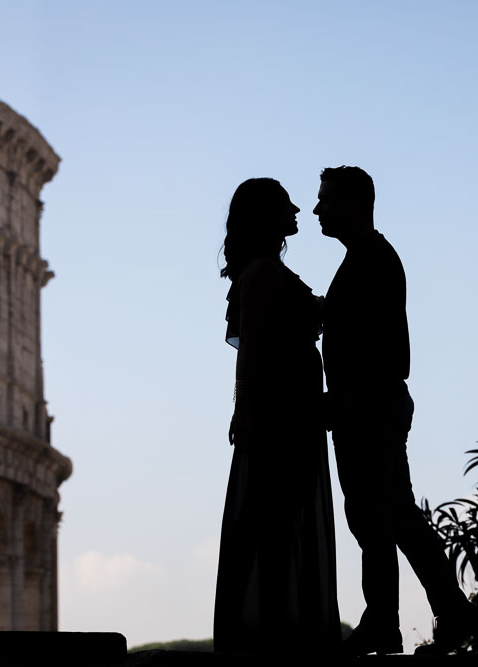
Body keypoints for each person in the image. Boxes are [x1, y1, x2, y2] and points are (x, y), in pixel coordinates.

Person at [314, 166, 478, 655]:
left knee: (381, 517)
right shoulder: (368, 259)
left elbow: (393, 354)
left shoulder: (371, 260)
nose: (318, 209)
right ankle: (438, 613)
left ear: (353, 203)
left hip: (369, 410)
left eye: (326, 199)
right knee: (387, 516)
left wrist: (346, 399)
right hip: (369, 408)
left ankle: (397, 620)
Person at [213, 178, 341, 655]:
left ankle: (263, 629)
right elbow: (249, 353)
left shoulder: (263, 271)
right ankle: (268, 633)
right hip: (282, 415)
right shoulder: (264, 273)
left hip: (287, 411)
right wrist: (244, 408)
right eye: (285, 204)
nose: (297, 211)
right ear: (268, 215)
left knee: (270, 521)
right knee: (273, 523)